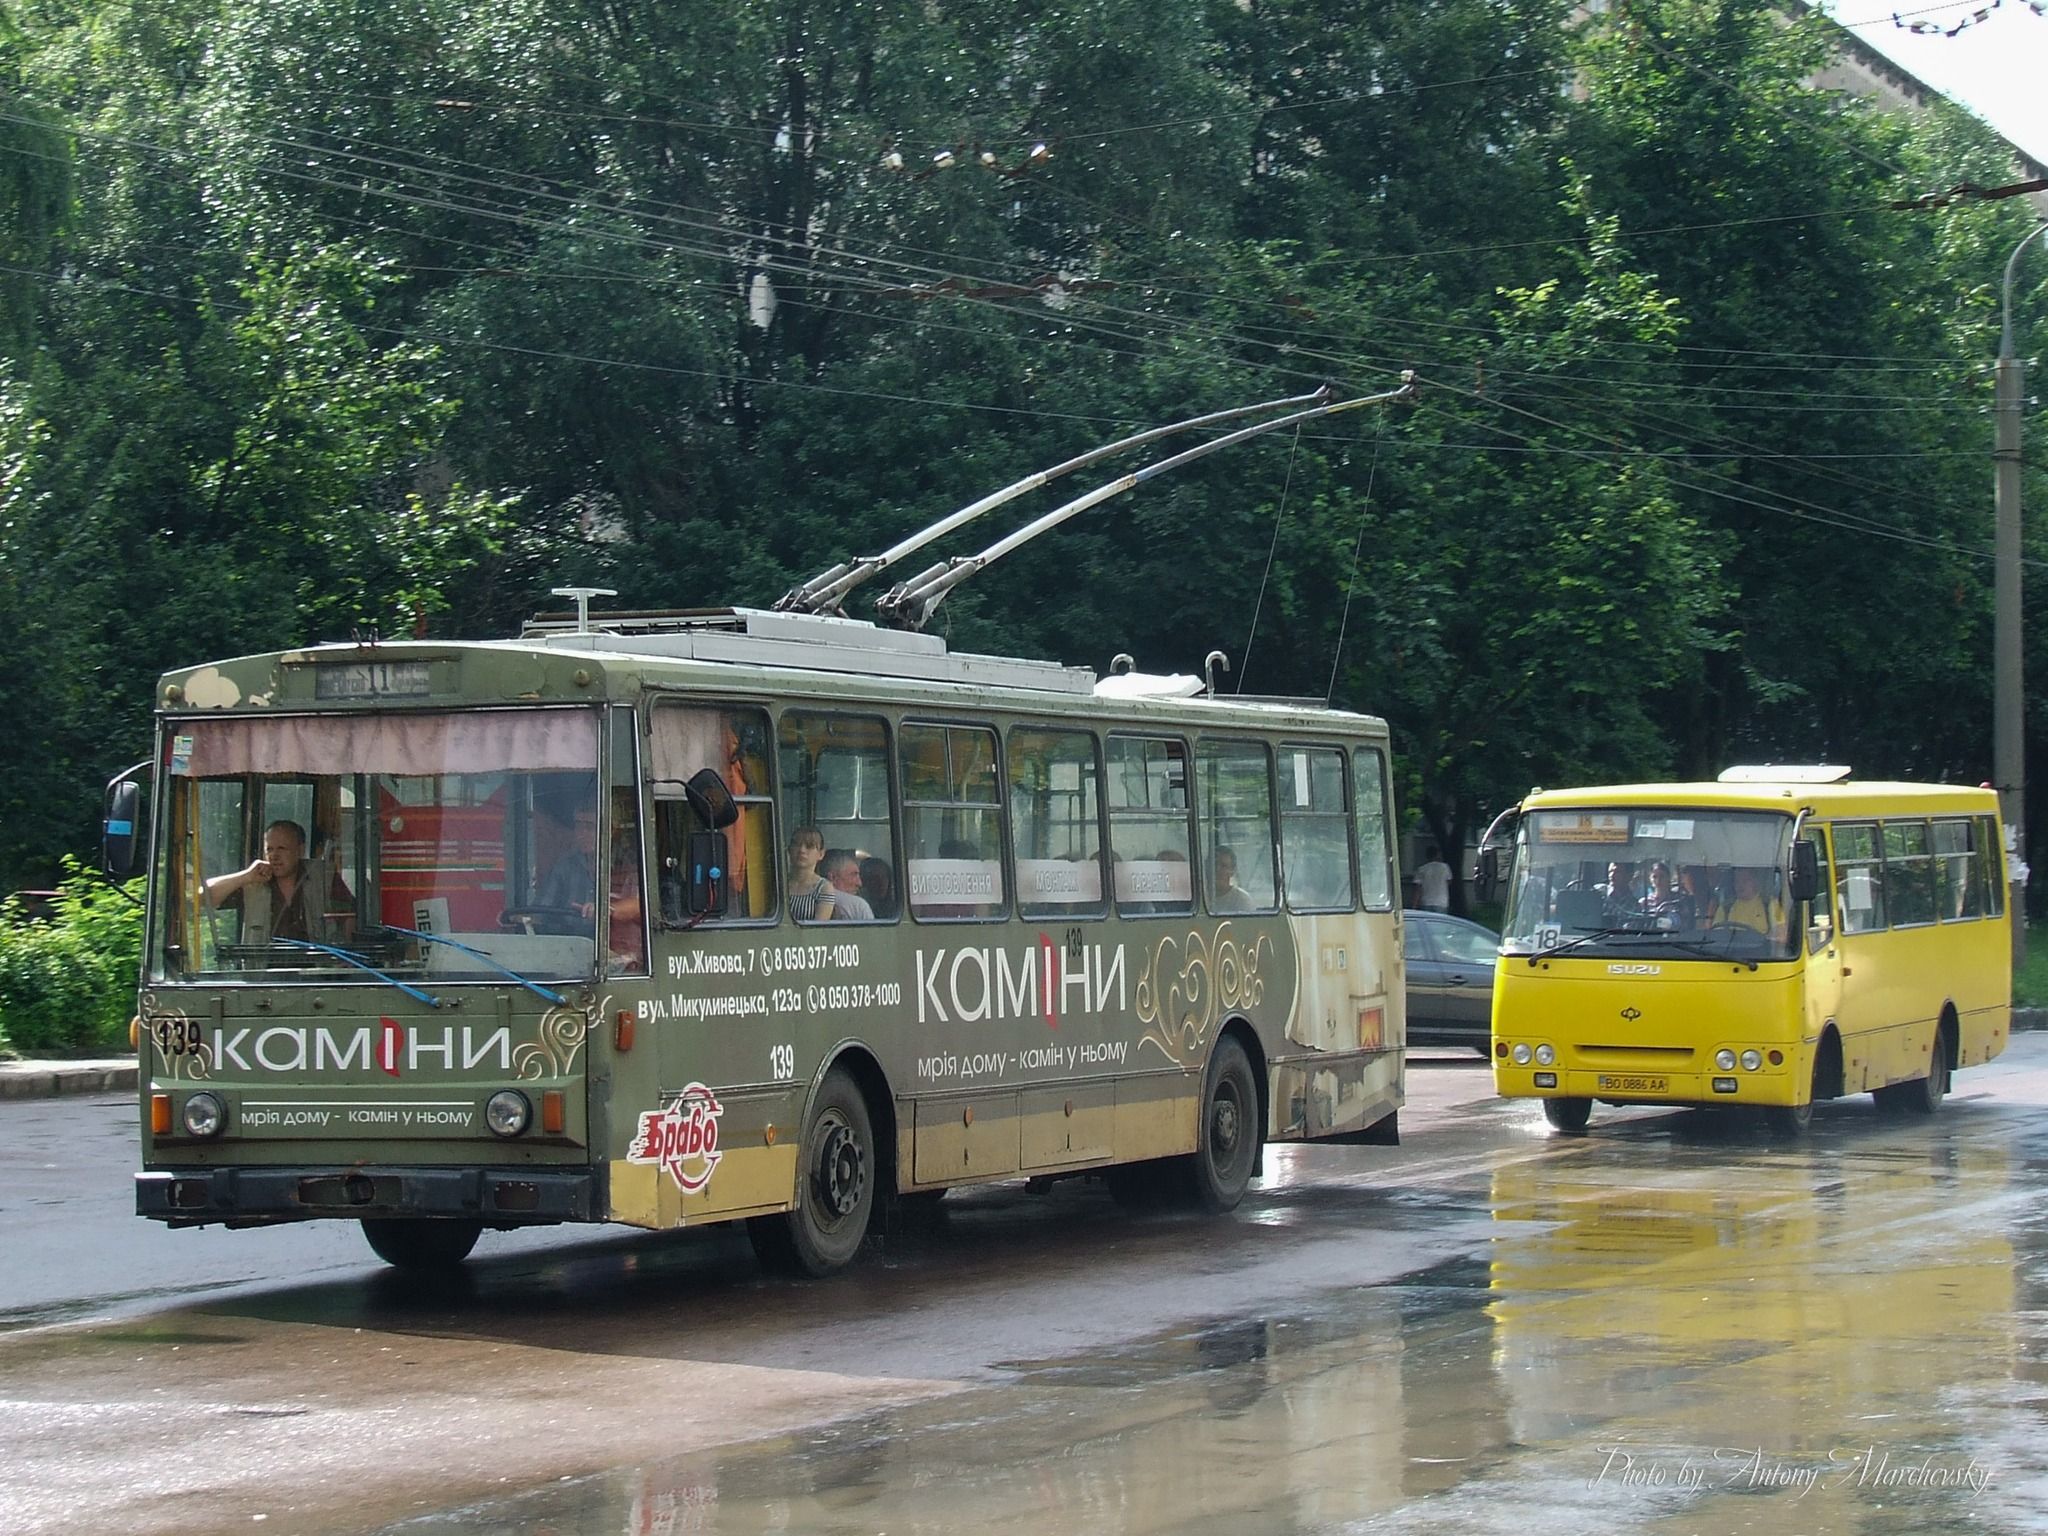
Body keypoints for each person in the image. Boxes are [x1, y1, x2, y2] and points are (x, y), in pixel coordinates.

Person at [204, 819, 353, 946]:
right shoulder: (253, 881)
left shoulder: (323, 876)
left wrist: (347, 953)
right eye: (269, 850)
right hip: (264, 976)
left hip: (316, 975)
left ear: (300, 850)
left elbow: (351, 915)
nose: (274, 856)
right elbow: (203, 897)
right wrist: (245, 876)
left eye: (282, 849)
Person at [786, 827, 836, 923]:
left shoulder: (824, 888)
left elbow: (818, 928)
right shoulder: (779, 883)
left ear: (821, 854)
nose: (802, 850)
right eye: (796, 844)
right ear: (789, 850)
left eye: (809, 846)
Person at [1722, 867, 1784, 937]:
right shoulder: (1725, 907)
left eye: (1745, 881)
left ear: (1756, 882)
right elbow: (1716, 935)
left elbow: (1781, 933)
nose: (1740, 885)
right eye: (1737, 881)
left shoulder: (1772, 904)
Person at [819, 849, 874, 921]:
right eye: (854, 874)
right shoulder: (859, 906)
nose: (859, 883)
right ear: (833, 877)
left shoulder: (809, 899)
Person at [1639, 860, 1692, 930]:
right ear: (1650, 879)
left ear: (1668, 878)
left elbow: (1684, 924)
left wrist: (1660, 921)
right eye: (1654, 877)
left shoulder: (1679, 900)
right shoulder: (1644, 902)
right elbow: (1639, 925)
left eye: (1662, 876)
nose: (1658, 880)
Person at [1211, 846, 1256, 912]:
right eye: (1214, 864)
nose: (1217, 869)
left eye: (1224, 866)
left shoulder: (1242, 901)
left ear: (1232, 871)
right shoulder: (1200, 898)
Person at [859, 855, 897, 919]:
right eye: (875, 879)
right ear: (865, 882)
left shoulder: (896, 908)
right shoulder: (859, 908)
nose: (881, 883)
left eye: (884, 877)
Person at [1415, 846, 1452, 913]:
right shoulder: (1445, 867)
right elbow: (1449, 882)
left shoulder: (1421, 869)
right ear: (1437, 855)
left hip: (1426, 902)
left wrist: (1414, 905)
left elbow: (1418, 890)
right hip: (1441, 902)